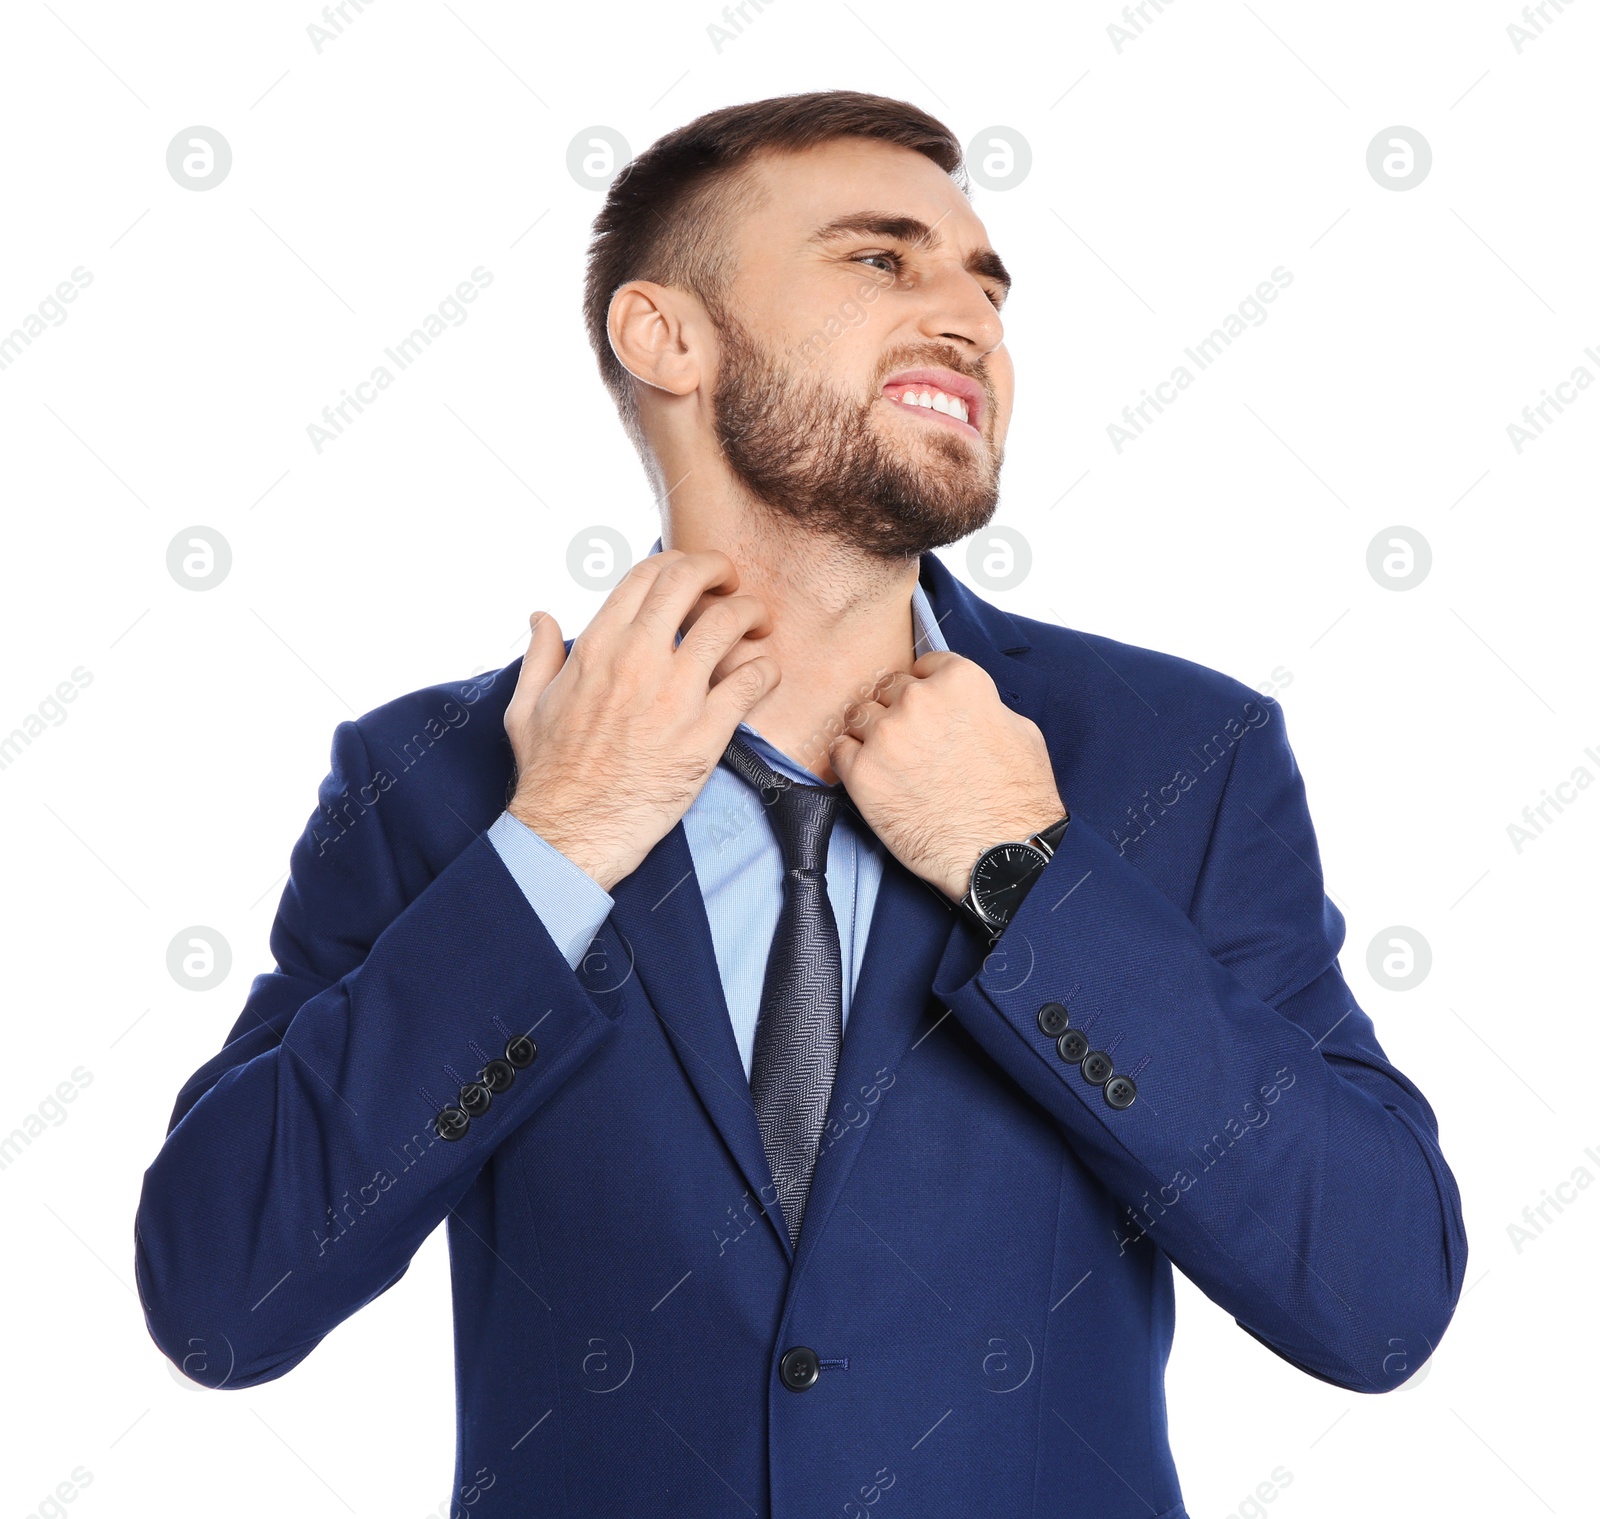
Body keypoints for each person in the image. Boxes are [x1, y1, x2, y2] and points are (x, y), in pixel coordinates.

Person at [135, 90, 1466, 1518]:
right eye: (881, 261)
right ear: (668, 338)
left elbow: (1377, 1296)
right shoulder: (433, 782)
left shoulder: (1178, 757)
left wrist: (1027, 876)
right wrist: (562, 839)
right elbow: (224, 1296)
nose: (967, 317)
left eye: (984, 284)